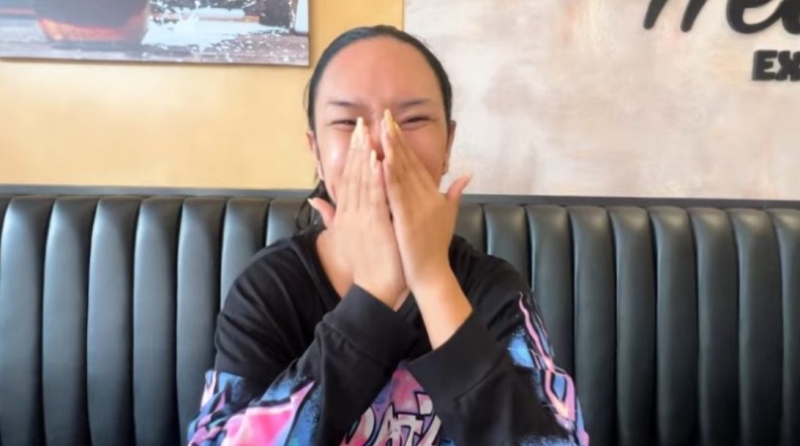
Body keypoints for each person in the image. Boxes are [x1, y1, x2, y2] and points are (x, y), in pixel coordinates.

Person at [186, 24, 589, 446]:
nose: (380, 145)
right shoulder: (270, 288)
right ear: (316, 151)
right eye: (347, 122)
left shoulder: (493, 288)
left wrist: (431, 278)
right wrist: (374, 295)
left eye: (412, 120)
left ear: (448, 145)